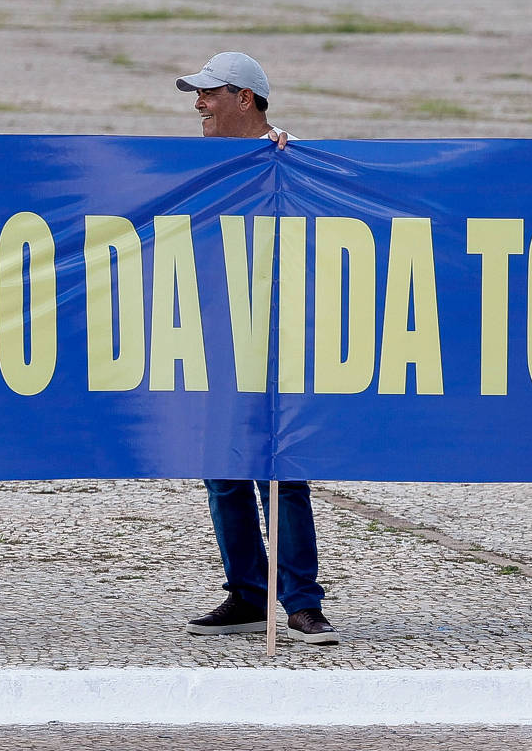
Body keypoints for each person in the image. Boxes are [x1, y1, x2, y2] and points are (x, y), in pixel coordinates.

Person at [175, 52, 334, 644]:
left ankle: (300, 600)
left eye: (209, 93)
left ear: (245, 98)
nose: (198, 105)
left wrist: (294, 163)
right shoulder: (192, 166)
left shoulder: (294, 158)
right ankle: (247, 591)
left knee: (284, 470)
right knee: (222, 468)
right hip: (217, 333)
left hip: (283, 338)